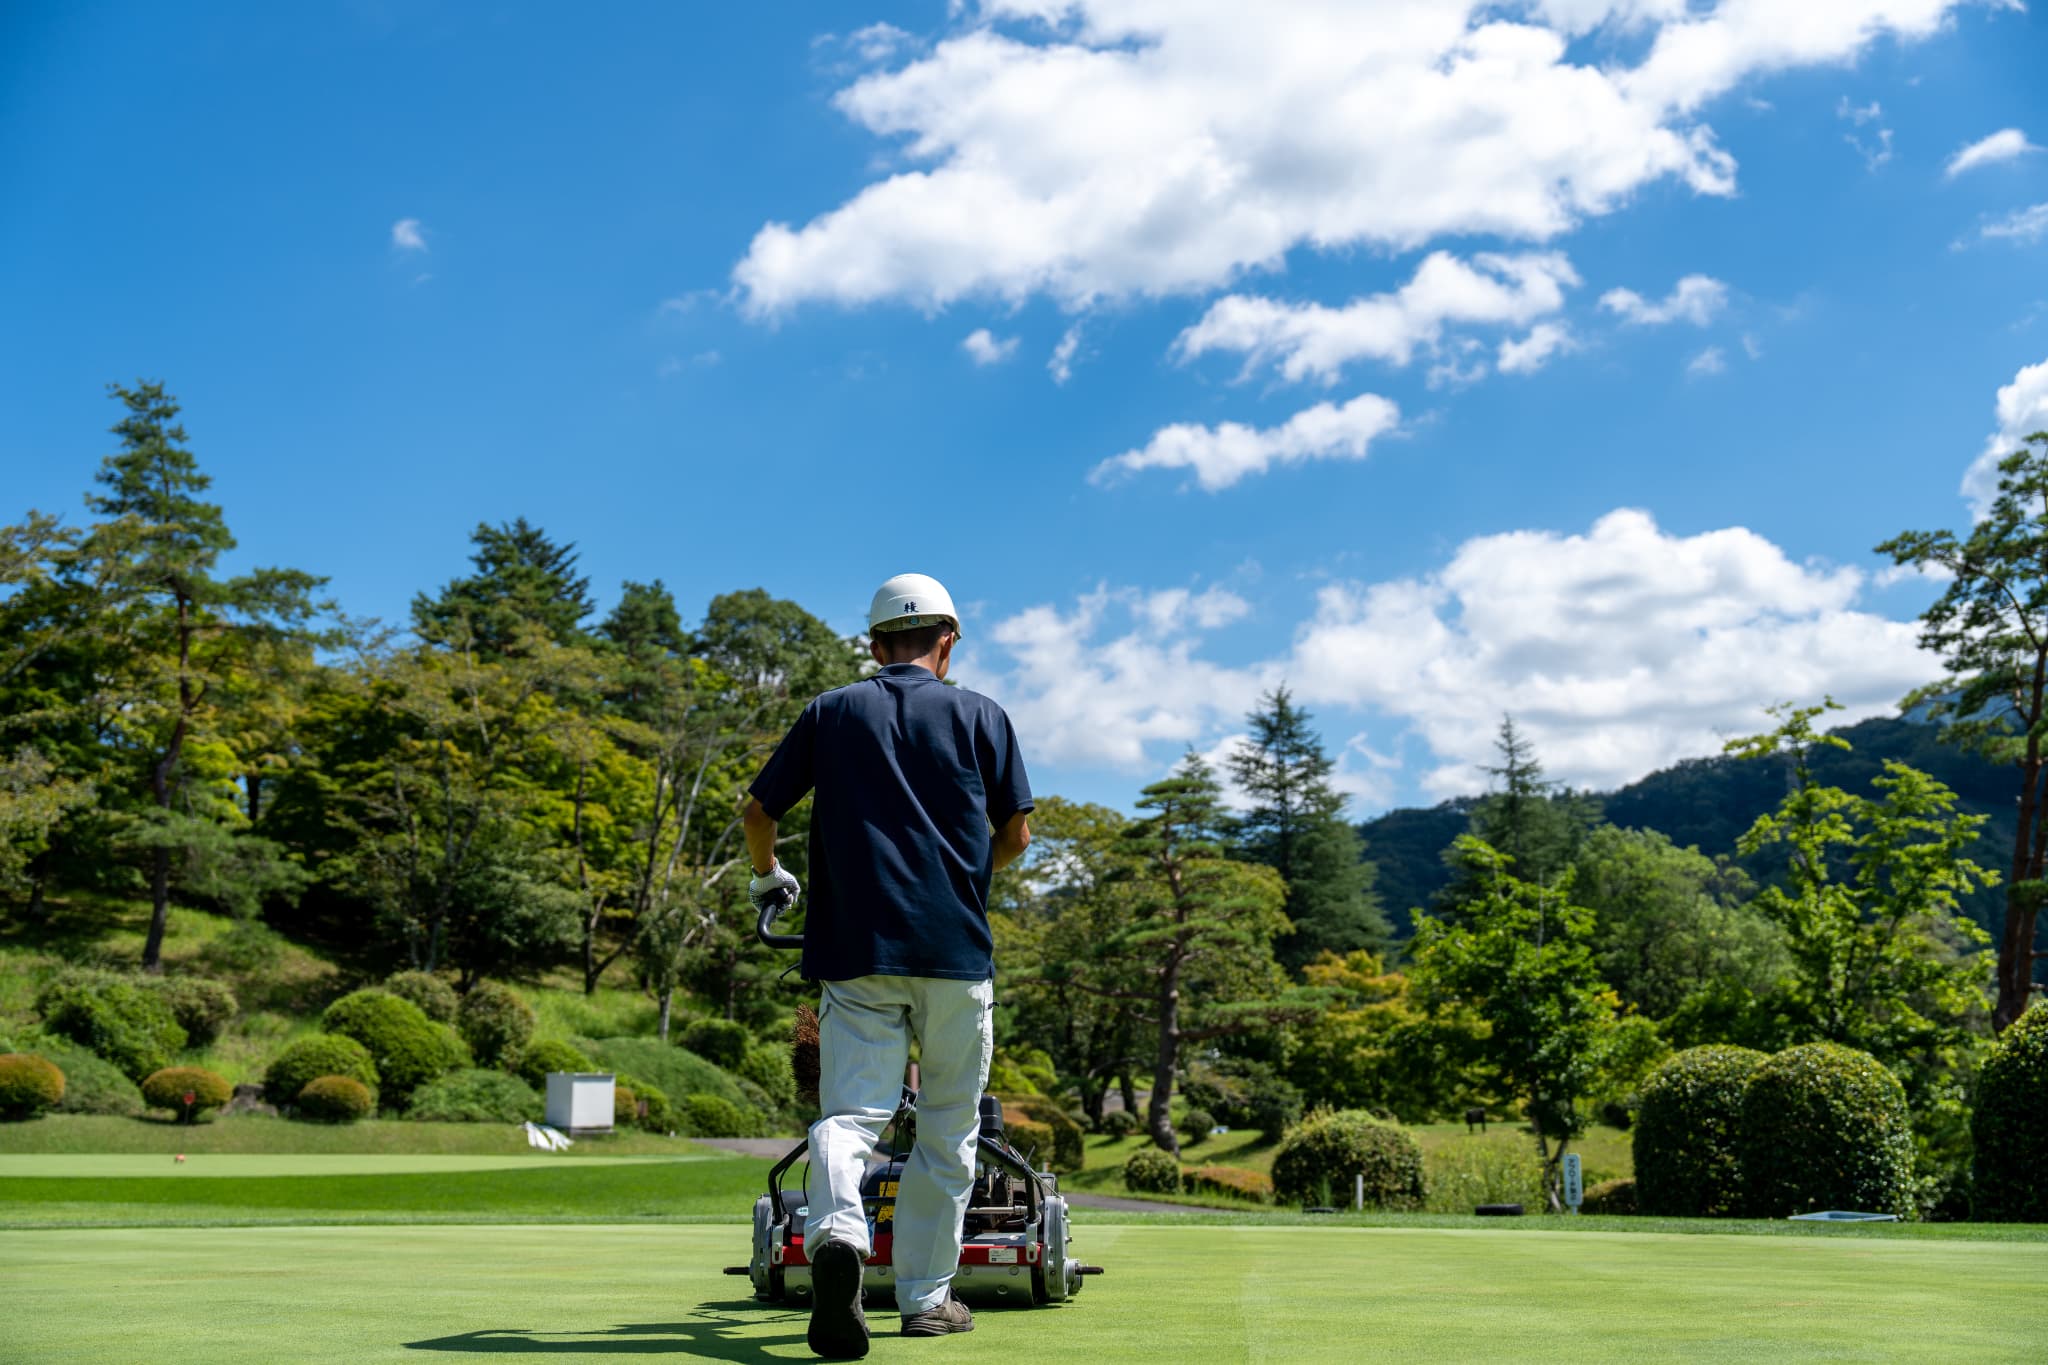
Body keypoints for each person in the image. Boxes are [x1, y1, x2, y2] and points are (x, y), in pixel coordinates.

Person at [743, 572, 1034, 1360]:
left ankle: (838, 1235)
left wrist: (769, 875)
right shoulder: (981, 713)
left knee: (850, 1117)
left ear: (874, 645)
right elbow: (1015, 836)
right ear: (948, 639)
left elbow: (759, 811)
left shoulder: (831, 711)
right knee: (947, 1130)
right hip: (953, 952)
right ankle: (926, 1298)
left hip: (855, 953)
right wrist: (965, 882)